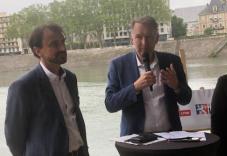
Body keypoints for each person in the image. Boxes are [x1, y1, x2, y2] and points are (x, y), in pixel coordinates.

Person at [5, 24, 89, 156]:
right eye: (54, 44)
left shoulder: (70, 79)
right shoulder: (23, 87)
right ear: (38, 51)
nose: (62, 48)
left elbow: (74, 120)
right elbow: (14, 138)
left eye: (62, 42)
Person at [105, 16, 192, 136]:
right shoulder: (118, 66)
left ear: (156, 38)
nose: (144, 43)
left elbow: (186, 99)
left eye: (149, 37)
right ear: (132, 40)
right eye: (139, 37)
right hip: (136, 141)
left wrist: (176, 86)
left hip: (170, 138)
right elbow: (110, 104)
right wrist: (135, 87)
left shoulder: (172, 62)